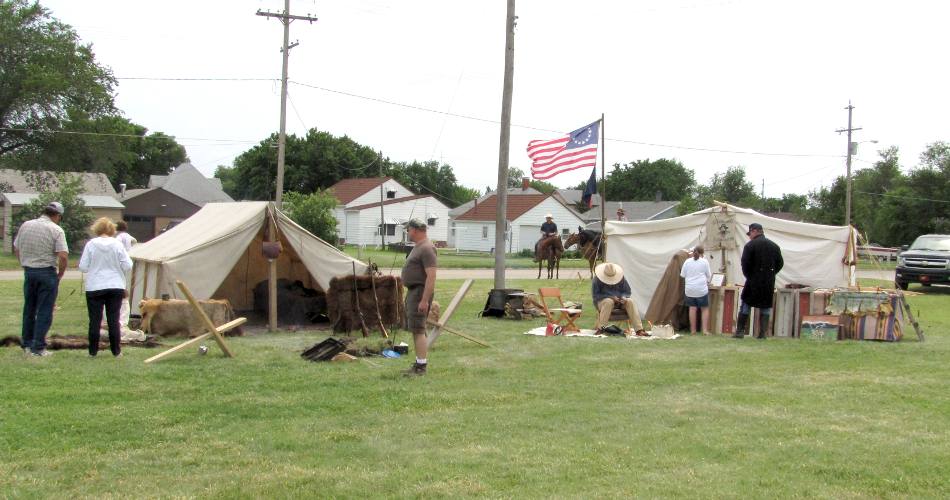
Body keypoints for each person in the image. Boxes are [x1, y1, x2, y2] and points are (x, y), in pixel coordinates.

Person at [14, 202, 68, 357]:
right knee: (44, 310)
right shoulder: (56, 229)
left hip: (29, 271)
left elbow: (17, 248)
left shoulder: (26, 225)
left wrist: (24, 264)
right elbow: (63, 256)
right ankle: (38, 347)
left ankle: (27, 344)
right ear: (57, 216)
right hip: (46, 272)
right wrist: (60, 274)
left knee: (29, 309)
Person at [79, 218, 133, 357]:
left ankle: (92, 351)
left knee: (95, 320)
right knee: (113, 320)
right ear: (112, 230)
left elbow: (83, 267)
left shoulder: (91, 244)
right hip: (115, 285)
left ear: (96, 229)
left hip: (95, 286)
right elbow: (128, 265)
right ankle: (116, 351)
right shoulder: (117, 244)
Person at [734, 223, 784, 339]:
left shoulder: (750, 246)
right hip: (768, 281)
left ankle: (740, 332)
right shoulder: (774, 246)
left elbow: (745, 264)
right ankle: (762, 334)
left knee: (746, 305)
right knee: (765, 307)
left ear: (755, 231)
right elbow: (780, 264)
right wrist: (770, 274)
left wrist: (750, 276)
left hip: (753, 280)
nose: (749, 236)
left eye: (750, 233)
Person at [401, 218, 437, 376]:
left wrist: (424, 300)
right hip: (414, 291)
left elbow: (431, 276)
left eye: (408, 229)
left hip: (419, 292)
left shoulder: (427, 248)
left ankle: (421, 367)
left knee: (418, 329)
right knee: (417, 328)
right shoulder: (419, 247)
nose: (407, 232)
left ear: (415, 230)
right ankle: (418, 362)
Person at [592, 262, 646, 336]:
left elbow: (627, 291)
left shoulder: (621, 277)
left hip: (619, 302)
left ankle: (639, 330)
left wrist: (623, 297)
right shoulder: (597, 279)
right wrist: (610, 297)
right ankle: (601, 328)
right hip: (603, 302)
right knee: (609, 301)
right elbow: (596, 295)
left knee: (630, 301)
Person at [680, 246, 712, 334]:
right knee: (704, 309)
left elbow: (682, 275)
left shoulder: (687, 262)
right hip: (701, 289)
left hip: (690, 289)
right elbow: (708, 275)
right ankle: (705, 330)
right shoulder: (705, 262)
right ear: (702, 253)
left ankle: (693, 330)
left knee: (692, 308)